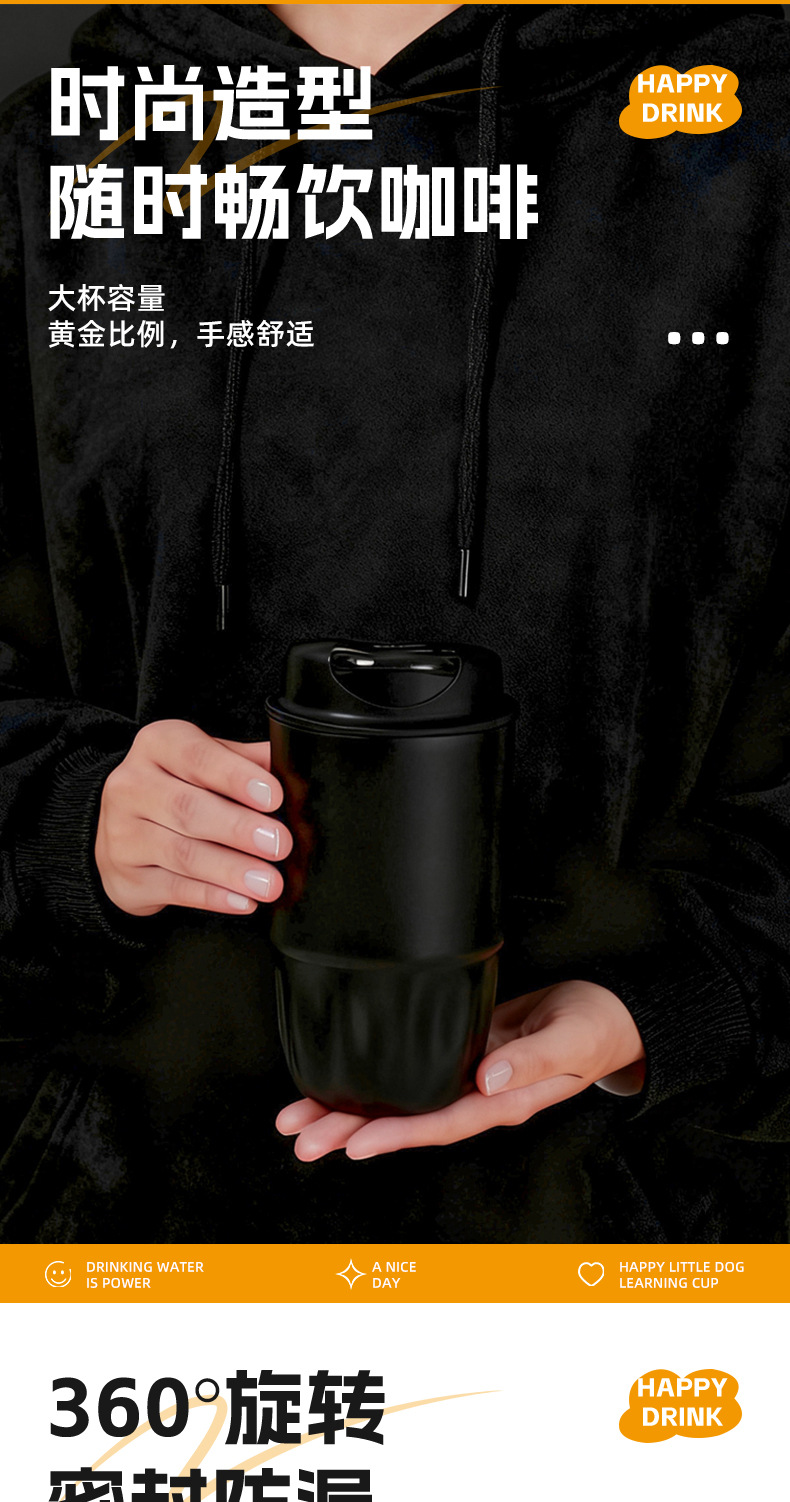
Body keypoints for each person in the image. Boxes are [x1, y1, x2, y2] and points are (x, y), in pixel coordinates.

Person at [1, 1, 790, 1243]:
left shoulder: (750, 128)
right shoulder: (64, 155)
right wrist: (68, 817)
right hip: (130, 1226)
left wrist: (685, 998)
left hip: (635, 1255)